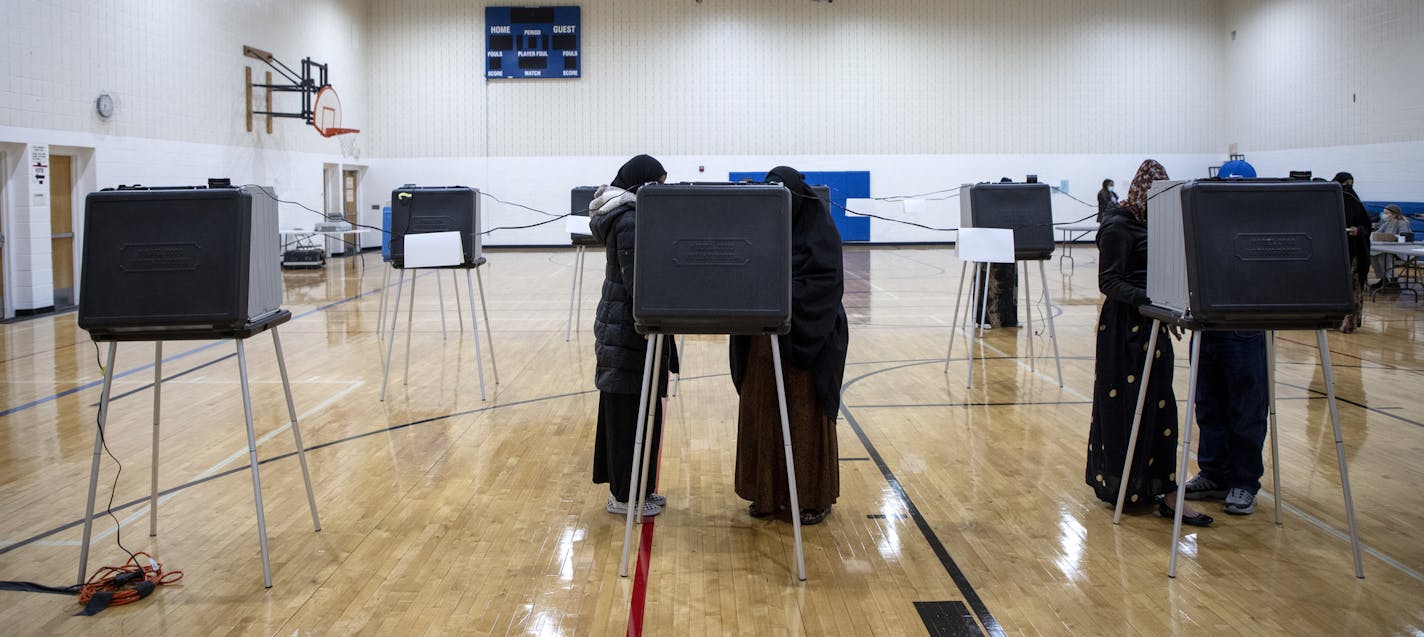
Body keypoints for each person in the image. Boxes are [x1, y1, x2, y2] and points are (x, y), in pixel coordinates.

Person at [1085, 159, 1212, 527]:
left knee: (1161, 406)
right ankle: (1125, 486)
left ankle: (1164, 489)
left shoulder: (1153, 224)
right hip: (1125, 329)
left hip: (1153, 324)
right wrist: (1153, 300)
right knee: (1125, 406)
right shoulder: (1118, 226)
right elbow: (1108, 282)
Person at [730, 166, 850, 525]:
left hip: (808, 344)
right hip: (763, 345)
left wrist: (779, 297)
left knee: (803, 420)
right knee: (764, 413)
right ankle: (767, 496)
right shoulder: (758, 233)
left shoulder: (820, 235)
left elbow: (825, 285)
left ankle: (811, 499)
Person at [589, 154, 676, 517]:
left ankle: (639, 490)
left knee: (643, 412)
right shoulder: (628, 220)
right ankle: (624, 496)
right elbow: (637, 284)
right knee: (628, 417)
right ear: (641, 183)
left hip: (627, 331)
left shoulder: (632, 216)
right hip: (626, 333)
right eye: (657, 182)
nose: (662, 190)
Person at [1182, 330, 1269, 515]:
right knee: (1207, 406)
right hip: (1205, 326)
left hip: (1244, 329)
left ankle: (1244, 482)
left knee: (1247, 412)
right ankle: (1214, 474)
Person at [1333, 172, 1372, 332]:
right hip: (1334, 253)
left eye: (1351, 184)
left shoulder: (1355, 203)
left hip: (1354, 252)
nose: (1348, 188)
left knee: (1353, 287)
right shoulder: (1330, 202)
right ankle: (1332, 320)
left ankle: (1351, 322)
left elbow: (1366, 225)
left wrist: (1358, 230)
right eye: (1345, 184)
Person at [1370, 204, 1412, 289]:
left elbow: (1404, 237)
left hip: (1399, 250)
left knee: (1383, 256)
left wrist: (1392, 237)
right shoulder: (1386, 223)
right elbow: (1376, 234)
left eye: (1386, 213)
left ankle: (1392, 280)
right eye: (1384, 213)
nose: (1384, 215)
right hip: (1387, 248)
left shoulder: (1401, 223)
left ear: (1394, 214)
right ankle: (1383, 278)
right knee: (1373, 256)